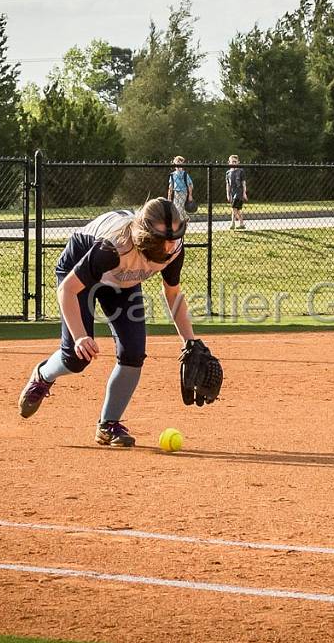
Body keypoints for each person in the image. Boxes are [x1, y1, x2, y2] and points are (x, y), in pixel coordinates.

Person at [17, 198, 205, 447]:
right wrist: (81, 336)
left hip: (122, 281)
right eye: (164, 239)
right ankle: (43, 375)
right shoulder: (114, 247)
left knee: (133, 353)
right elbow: (67, 290)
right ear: (146, 236)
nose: (171, 245)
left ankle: (108, 425)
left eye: (176, 237)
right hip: (79, 273)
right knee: (76, 358)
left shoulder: (173, 249)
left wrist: (189, 341)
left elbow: (172, 294)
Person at [225, 154, 248, 230]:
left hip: (239, 192)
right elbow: (228, 184)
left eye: (235, 162)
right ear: (229, 162)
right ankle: (241, 223)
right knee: (237, 209)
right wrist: (228, 194)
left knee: (233, 207)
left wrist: (244, 192)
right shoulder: (228, 173)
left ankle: (232, 223)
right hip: (232, 192)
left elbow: (243, 183)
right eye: (232, 162)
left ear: (238, 162)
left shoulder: (240, 171)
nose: (233, 163)